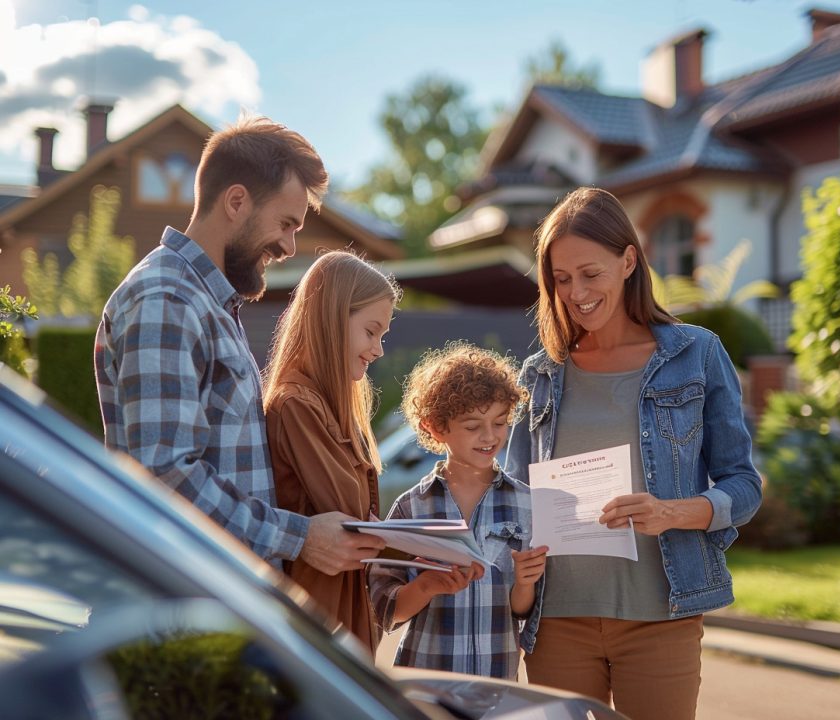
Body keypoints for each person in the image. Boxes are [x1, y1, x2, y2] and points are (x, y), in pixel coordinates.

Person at [505, 187, 762, 719]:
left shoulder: (696, 354)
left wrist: (670, 512)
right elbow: (512, 497)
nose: (576, 292)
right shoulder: (542, 375)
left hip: (660, 617)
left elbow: (744, 485)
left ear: (628, 260)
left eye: (590, 273)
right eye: (561, 278)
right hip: (556, 622)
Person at [95, 116, 384, 575]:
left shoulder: (206, 303)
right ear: (236, 201)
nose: (290, 247)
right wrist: (300, 536)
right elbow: (165, 474)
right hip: (181, 612)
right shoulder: (167, 300)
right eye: (286, 223)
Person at [368, 343, 547, 680]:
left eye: (499, 422)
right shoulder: (411, 507)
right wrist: (426, 587)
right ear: (435, 427)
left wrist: (525, 582)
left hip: (496, 680)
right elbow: (385, 610)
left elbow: (522, 610)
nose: (489, 436)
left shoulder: (527, 503)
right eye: (472, 426)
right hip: (425, 682)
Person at [262, 250, 400, 654]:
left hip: (343, 609)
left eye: (383, 336)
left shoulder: (328, 405)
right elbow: (349, 513)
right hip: (317, 617)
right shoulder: (296, 404)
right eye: (371, 331)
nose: (378, 349)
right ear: (332, 320)